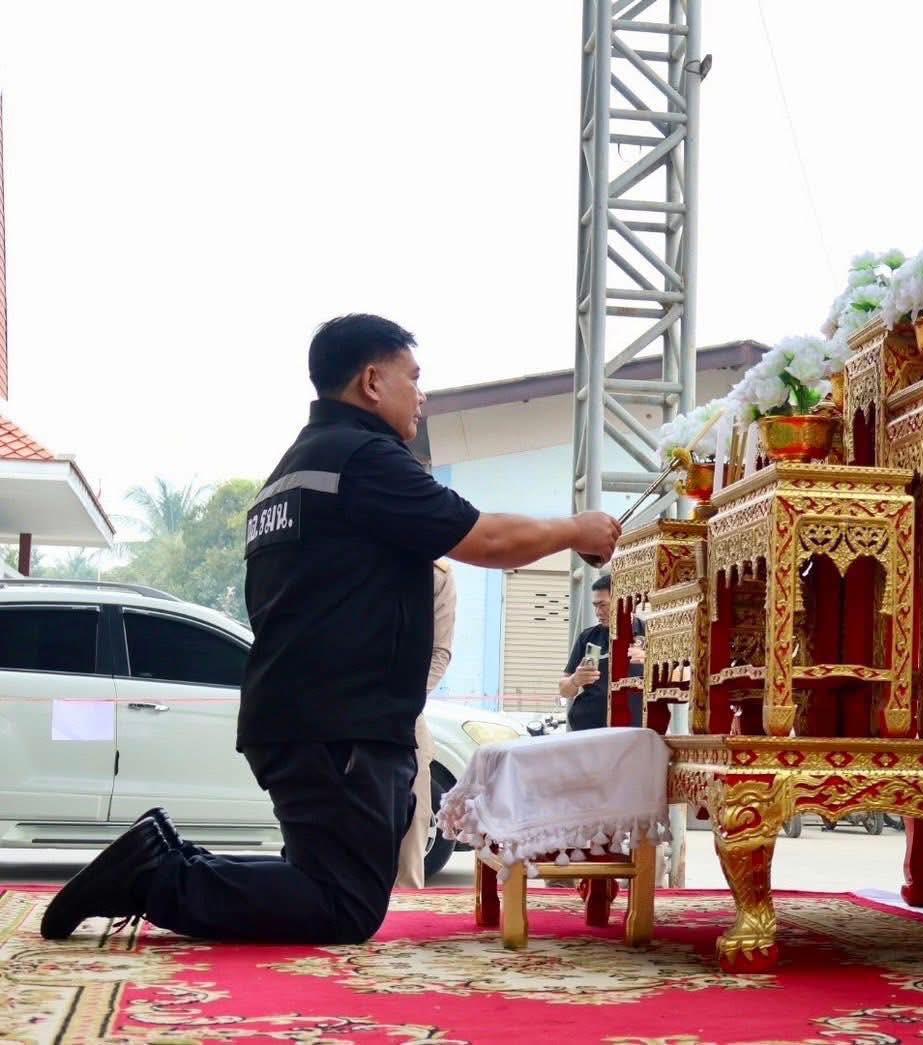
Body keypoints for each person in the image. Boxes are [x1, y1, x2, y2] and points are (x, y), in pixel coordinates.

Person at [41, 314, 620, 944]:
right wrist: (576, 530)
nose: (422, 395)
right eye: (414, 377)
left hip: (303, 715)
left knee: (321, 877)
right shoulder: (365, 460)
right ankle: (154, 876)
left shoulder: (290, 473)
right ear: (373, 381)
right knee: (342, 905)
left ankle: (160, 860)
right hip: (338, 722)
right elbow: (487, 538)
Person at [394, 558, 456, 890]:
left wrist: (404, 701)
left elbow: (439, 652)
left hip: (403, 709)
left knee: (414, 814)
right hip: (346, 703)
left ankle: (407, 901)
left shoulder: (436, 573)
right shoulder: (354, 555)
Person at [559, 573, 645, 731]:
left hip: (635, 732)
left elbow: (686, 678)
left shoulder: (650, 633)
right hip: (589, 731)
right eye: (595, 606)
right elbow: (564, 690)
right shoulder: (588, 637)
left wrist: (651, 660)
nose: (598, 612)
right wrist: (575, 680)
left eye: (603, 605)